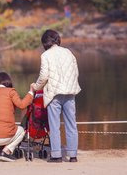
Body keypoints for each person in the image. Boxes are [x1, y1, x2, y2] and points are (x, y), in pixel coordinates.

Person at [32, 29, 81, 163]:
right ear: (57, 39)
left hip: (54, 94)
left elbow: (43, 77)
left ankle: (56, 155)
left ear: (45, 43)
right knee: (71, 124)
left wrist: (35, 87)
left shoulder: (46, 55)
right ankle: (73, 155)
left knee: (54, 126)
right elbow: (76, 72)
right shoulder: (68, 52)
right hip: (70, 93)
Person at [0, 72, 34, 162]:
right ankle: (6, 152)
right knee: (22, 131)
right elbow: (22, 105)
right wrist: (31, 92)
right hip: (3, 136)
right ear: (7, 81)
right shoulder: (11, 92)